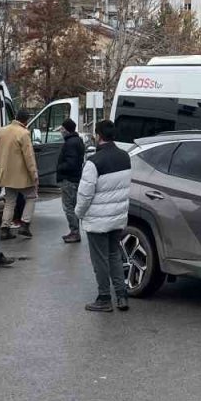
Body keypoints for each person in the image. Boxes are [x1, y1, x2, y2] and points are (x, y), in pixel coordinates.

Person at [75, 119, 132, 312]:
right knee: (114, 255)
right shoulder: (126, 157)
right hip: (117, 218)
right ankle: (122, 296)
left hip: (98, 220)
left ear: (98, 136)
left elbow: (85, 194)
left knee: (100, 259)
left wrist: (78, 214)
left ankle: (104, 298)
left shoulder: (93, 162)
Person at [0, 109, 39, 240]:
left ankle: (4, 228)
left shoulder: (1, 131)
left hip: (6, 173)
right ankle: (25, 224)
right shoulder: (24, 133)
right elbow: (29, 156)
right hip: (22, 175)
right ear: (26, 120)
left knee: (9, 201)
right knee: (31, 196)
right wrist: (34, 174)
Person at [56, 118, 86, 244]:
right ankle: (74, 231)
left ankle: (74, 232)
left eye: (62, 129)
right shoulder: (77, 140)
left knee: (68, 206)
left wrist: (59, 168)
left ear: (67, 130)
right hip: (75, 178)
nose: (61, 132)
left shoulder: (70, 143)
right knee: (72, 206)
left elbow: (71, 163)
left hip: (69, 179)